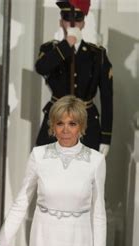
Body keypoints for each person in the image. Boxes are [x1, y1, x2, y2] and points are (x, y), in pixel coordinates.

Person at [0, 95, 106, 246]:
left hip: (78, 245)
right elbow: (21, 201)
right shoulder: (39, 155)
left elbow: (99, 212)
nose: (65, 130)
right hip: (44, 242)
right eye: (60, 123)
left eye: (72, 123)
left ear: (82, 127)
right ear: (53, 126)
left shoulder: (96, 160)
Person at [35, 0, 113, 155]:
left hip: (87, 123)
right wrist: (67, 43)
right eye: (67, 18)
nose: (73, 24)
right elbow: (41, 67)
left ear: (83, 23)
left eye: (78, 18)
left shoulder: (97, 55)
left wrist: (106, 137)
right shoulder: (50, 49)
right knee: (48, 172)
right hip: (55, 118)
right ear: (61, 21)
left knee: (84, 175)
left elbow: (107, 97)